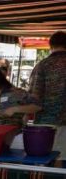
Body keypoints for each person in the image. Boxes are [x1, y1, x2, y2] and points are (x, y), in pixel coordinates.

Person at [28, 30, 66, 160]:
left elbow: (34, 97)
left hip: (46, 124)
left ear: (51, 46)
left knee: (48, 163)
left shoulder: (42, 66)